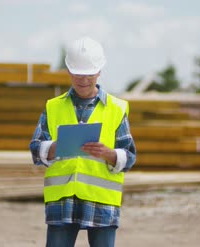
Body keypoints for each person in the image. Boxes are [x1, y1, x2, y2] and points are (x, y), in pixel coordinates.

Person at [29, 36, 136, 247]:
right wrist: (54, 148)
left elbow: (129, 155)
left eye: (89, 74)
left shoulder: (116, 108)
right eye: (78, 74)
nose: (84, 80)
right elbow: (35, 147)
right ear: (69, 71)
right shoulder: (53, 107)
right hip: (63, 200)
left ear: (99, 71)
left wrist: (109, 154)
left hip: (101, 200)